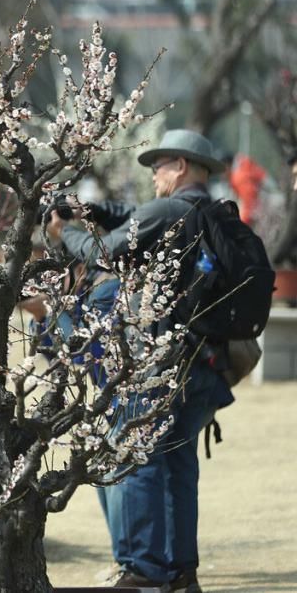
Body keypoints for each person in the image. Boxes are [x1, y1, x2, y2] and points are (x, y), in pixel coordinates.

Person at [47, 130, 235, 593]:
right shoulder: (214, 214)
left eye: (160, 165)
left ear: (183, 167)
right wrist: (87, 211)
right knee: (178, 465)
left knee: (137, 458)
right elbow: (130, 218)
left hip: (158, 359)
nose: (153, 174)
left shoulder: (168, 211)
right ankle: (180, 572)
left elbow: (105, 250)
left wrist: (64, 231)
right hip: (205, 360)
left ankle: (142, 569)